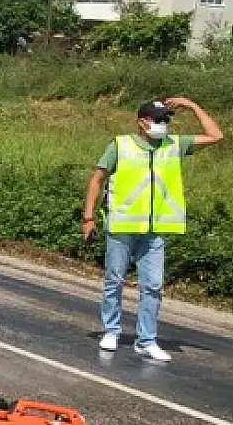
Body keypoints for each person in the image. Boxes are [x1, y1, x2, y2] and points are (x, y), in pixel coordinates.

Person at [83, 96, 222, 361]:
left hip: (155, 229)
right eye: (158, 120)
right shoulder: (120, 146)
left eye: (167, 120)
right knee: (114, 280)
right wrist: (88, 218)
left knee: (153, 286)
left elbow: (215, 135)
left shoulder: (175, 145)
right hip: (122, 226)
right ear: (142, 122)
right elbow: (97, 180)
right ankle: (111, 330)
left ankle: (146, 340)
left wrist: (192, 105)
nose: (164, 125)